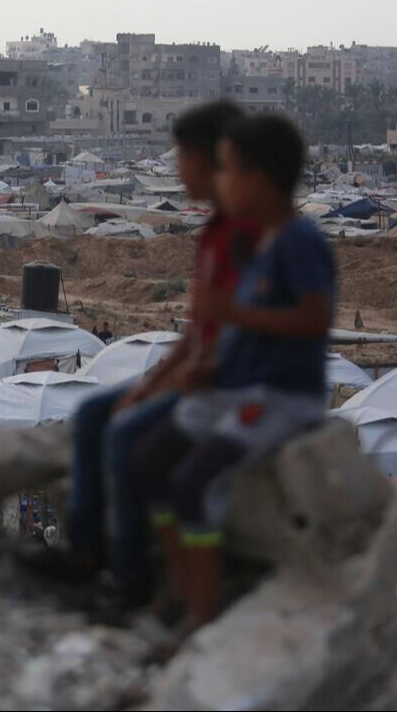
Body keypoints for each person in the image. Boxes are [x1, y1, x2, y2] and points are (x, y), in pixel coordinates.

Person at [35, 99, 253, 606]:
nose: (177, 169)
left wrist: (177, 382)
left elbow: (236, 340)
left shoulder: (246, 236)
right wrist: (154, 381)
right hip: (201, 374)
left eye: (184, 157)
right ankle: (84, 554)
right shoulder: (215, 233)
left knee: (127, 435)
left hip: (230, 387)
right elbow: (198, 329)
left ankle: (128, 576)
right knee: (93, 414)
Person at [132, 112, 335, 635]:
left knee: (196, 481)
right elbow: (249, 336)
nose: (218, 183)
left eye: (228, 171)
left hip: (281, 397)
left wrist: (233, 314)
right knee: (151, 460)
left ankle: (202, 609)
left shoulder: (299, 242)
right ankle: (177, 586)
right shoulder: (259, 245)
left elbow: (313, 319)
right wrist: (211, 365)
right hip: (239, 387)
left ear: (259, 178)